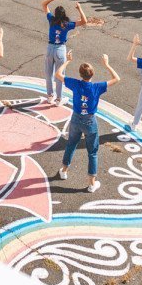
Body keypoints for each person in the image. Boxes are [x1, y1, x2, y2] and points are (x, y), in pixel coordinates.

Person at [56, 53, 121, 193]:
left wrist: (67, 61)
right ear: (92, 74)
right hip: (90, 121)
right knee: (92, 152)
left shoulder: (75, 84)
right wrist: (107, 64)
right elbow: (117, 78)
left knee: (71, 144)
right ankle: (92, 183)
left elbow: (58, 74)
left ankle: (64, 170)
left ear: (81, 74)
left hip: (76, 118)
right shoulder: (97, 87)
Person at [40, 0, 89, 104]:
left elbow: (44, 4)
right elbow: (84, 21)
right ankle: (58, 99)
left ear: (56, 14)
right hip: (60, 49)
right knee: (60, 75)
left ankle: (50, 95)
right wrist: (79, 9)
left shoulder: (51, 20)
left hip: (50, 48)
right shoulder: (67, 24)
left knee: (48, 74)